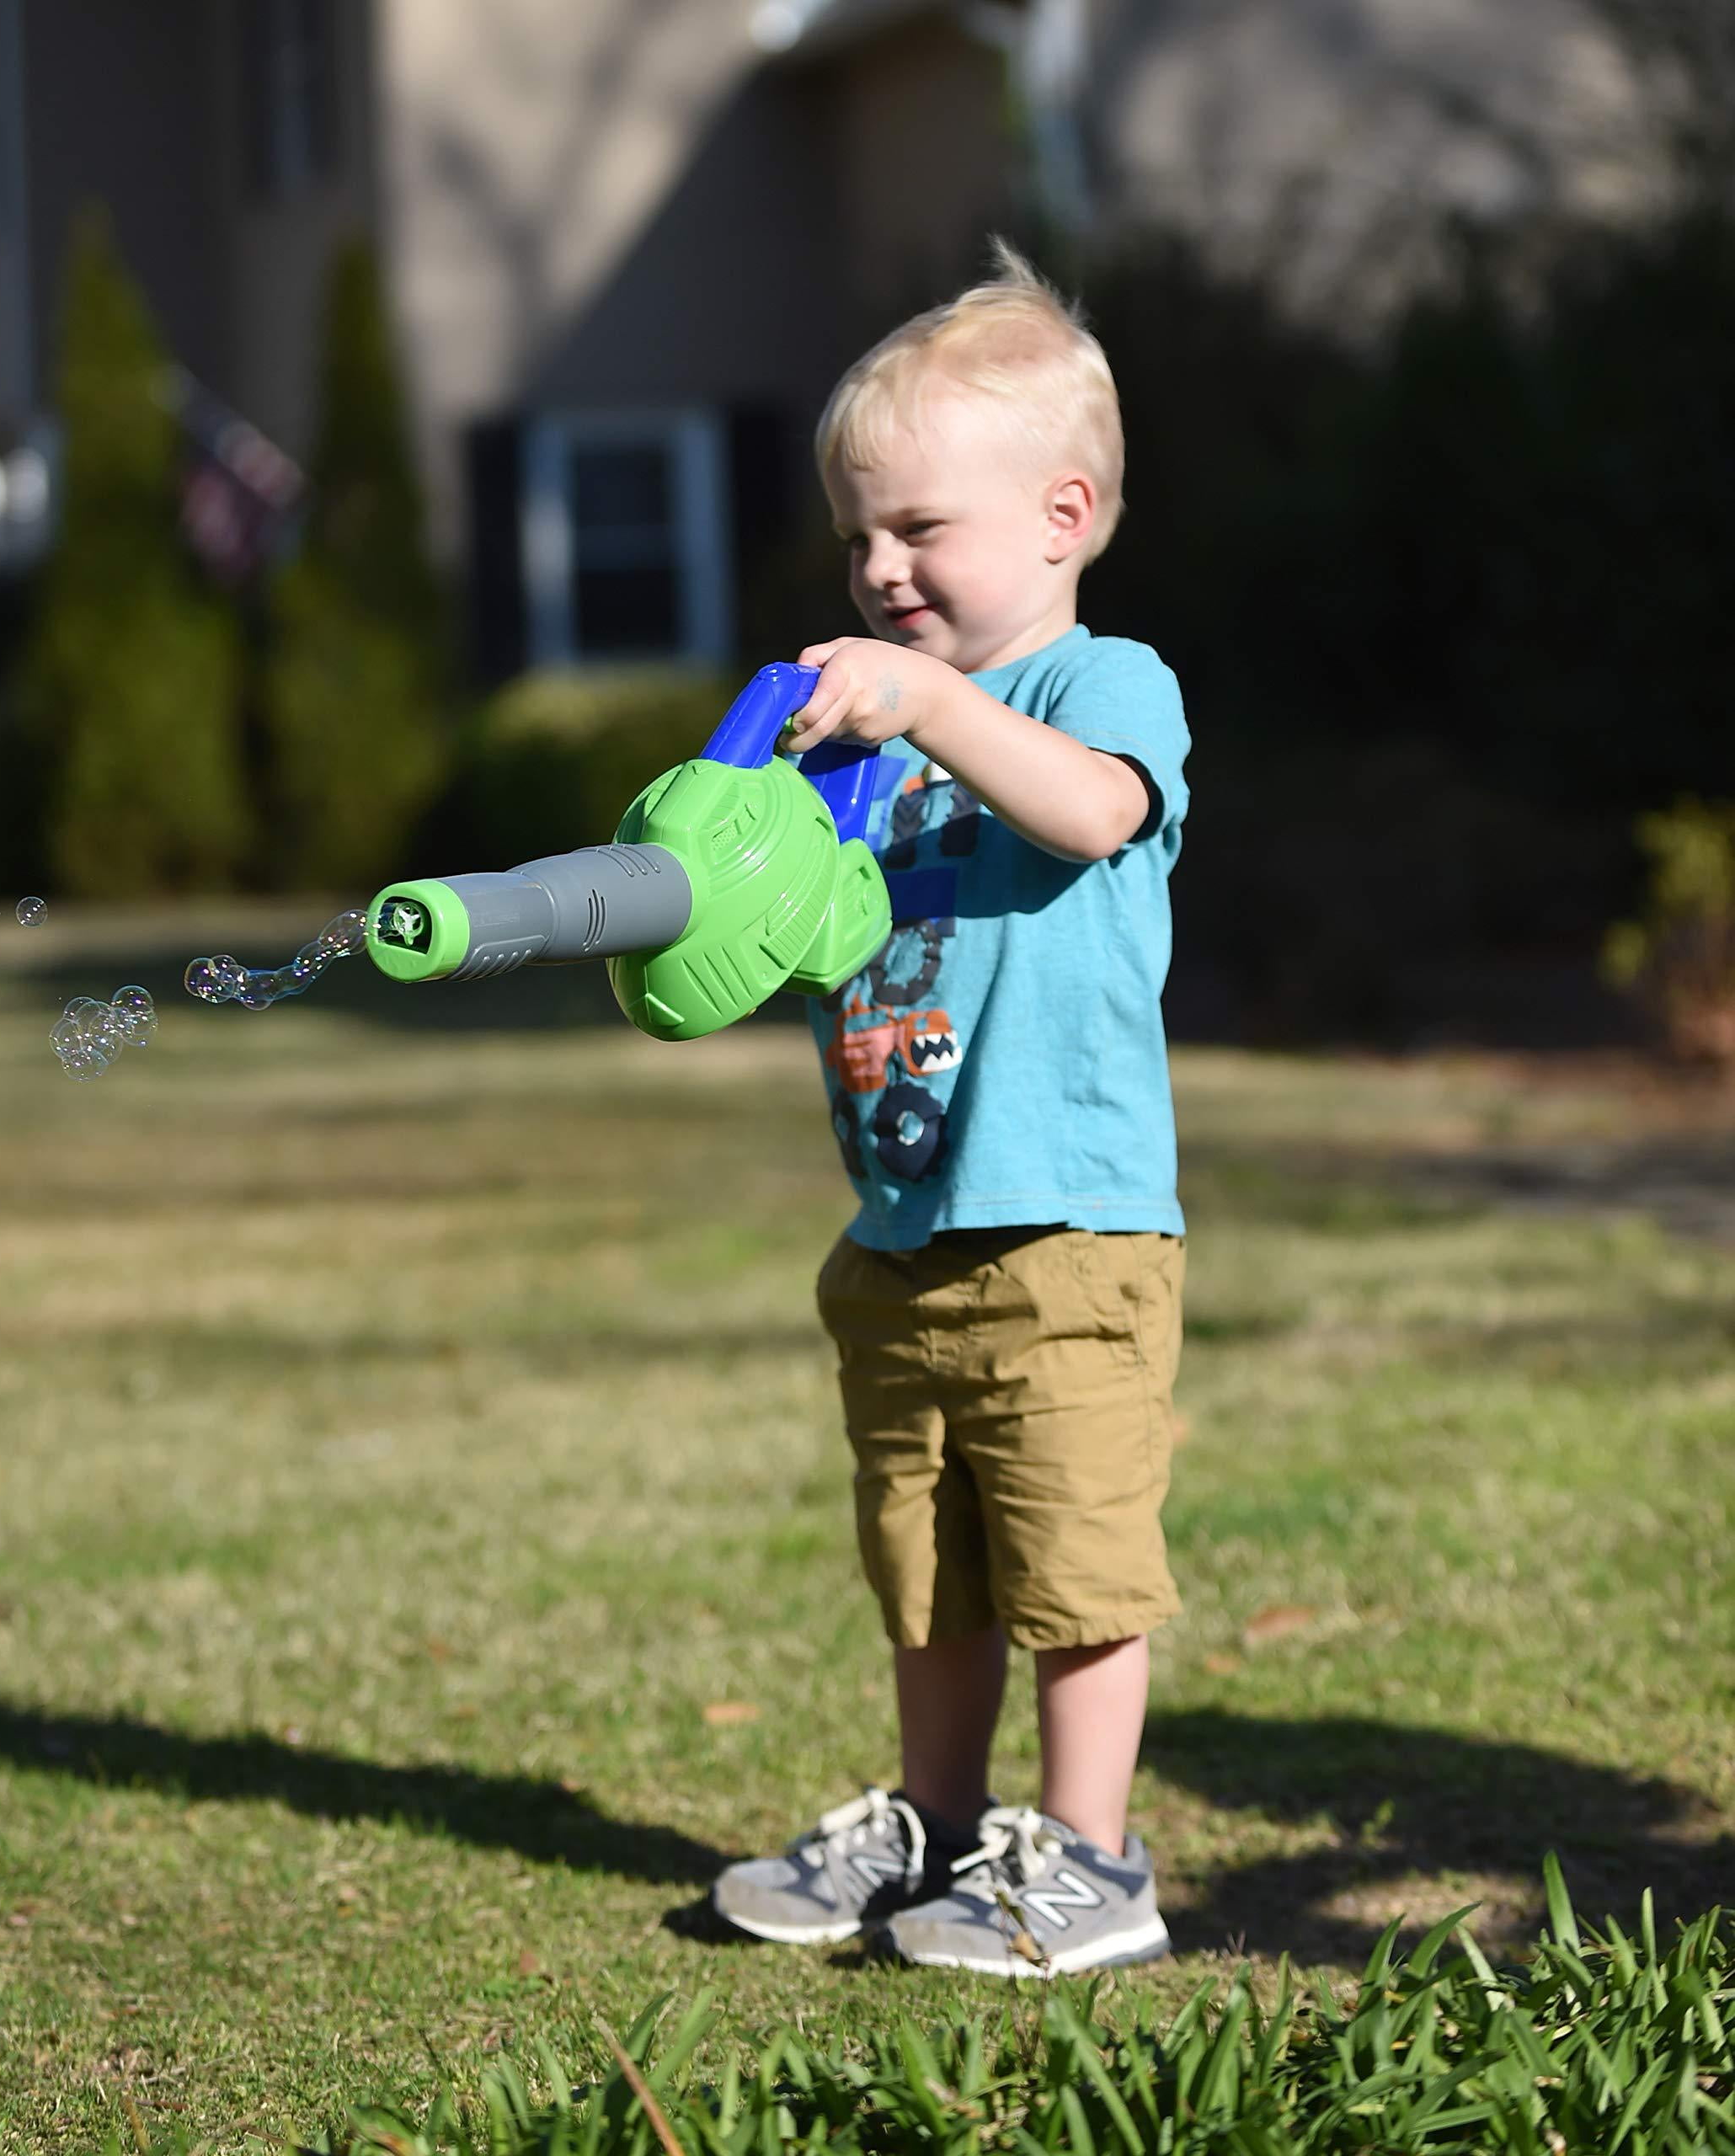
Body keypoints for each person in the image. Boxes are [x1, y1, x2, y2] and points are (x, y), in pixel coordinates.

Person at [710, 241, 1189, 1978]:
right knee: (929, 1567)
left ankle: (1089, 1863)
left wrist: (927, 702)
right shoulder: (867, 746)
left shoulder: (1099, 685)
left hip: (1066, 1225)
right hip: (903, 1228)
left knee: (1074, 1564)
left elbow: (1088, 811)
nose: (878, 568)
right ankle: (934, 1825)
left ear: (1063, 516)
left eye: (918, 528)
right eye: (860, 536)